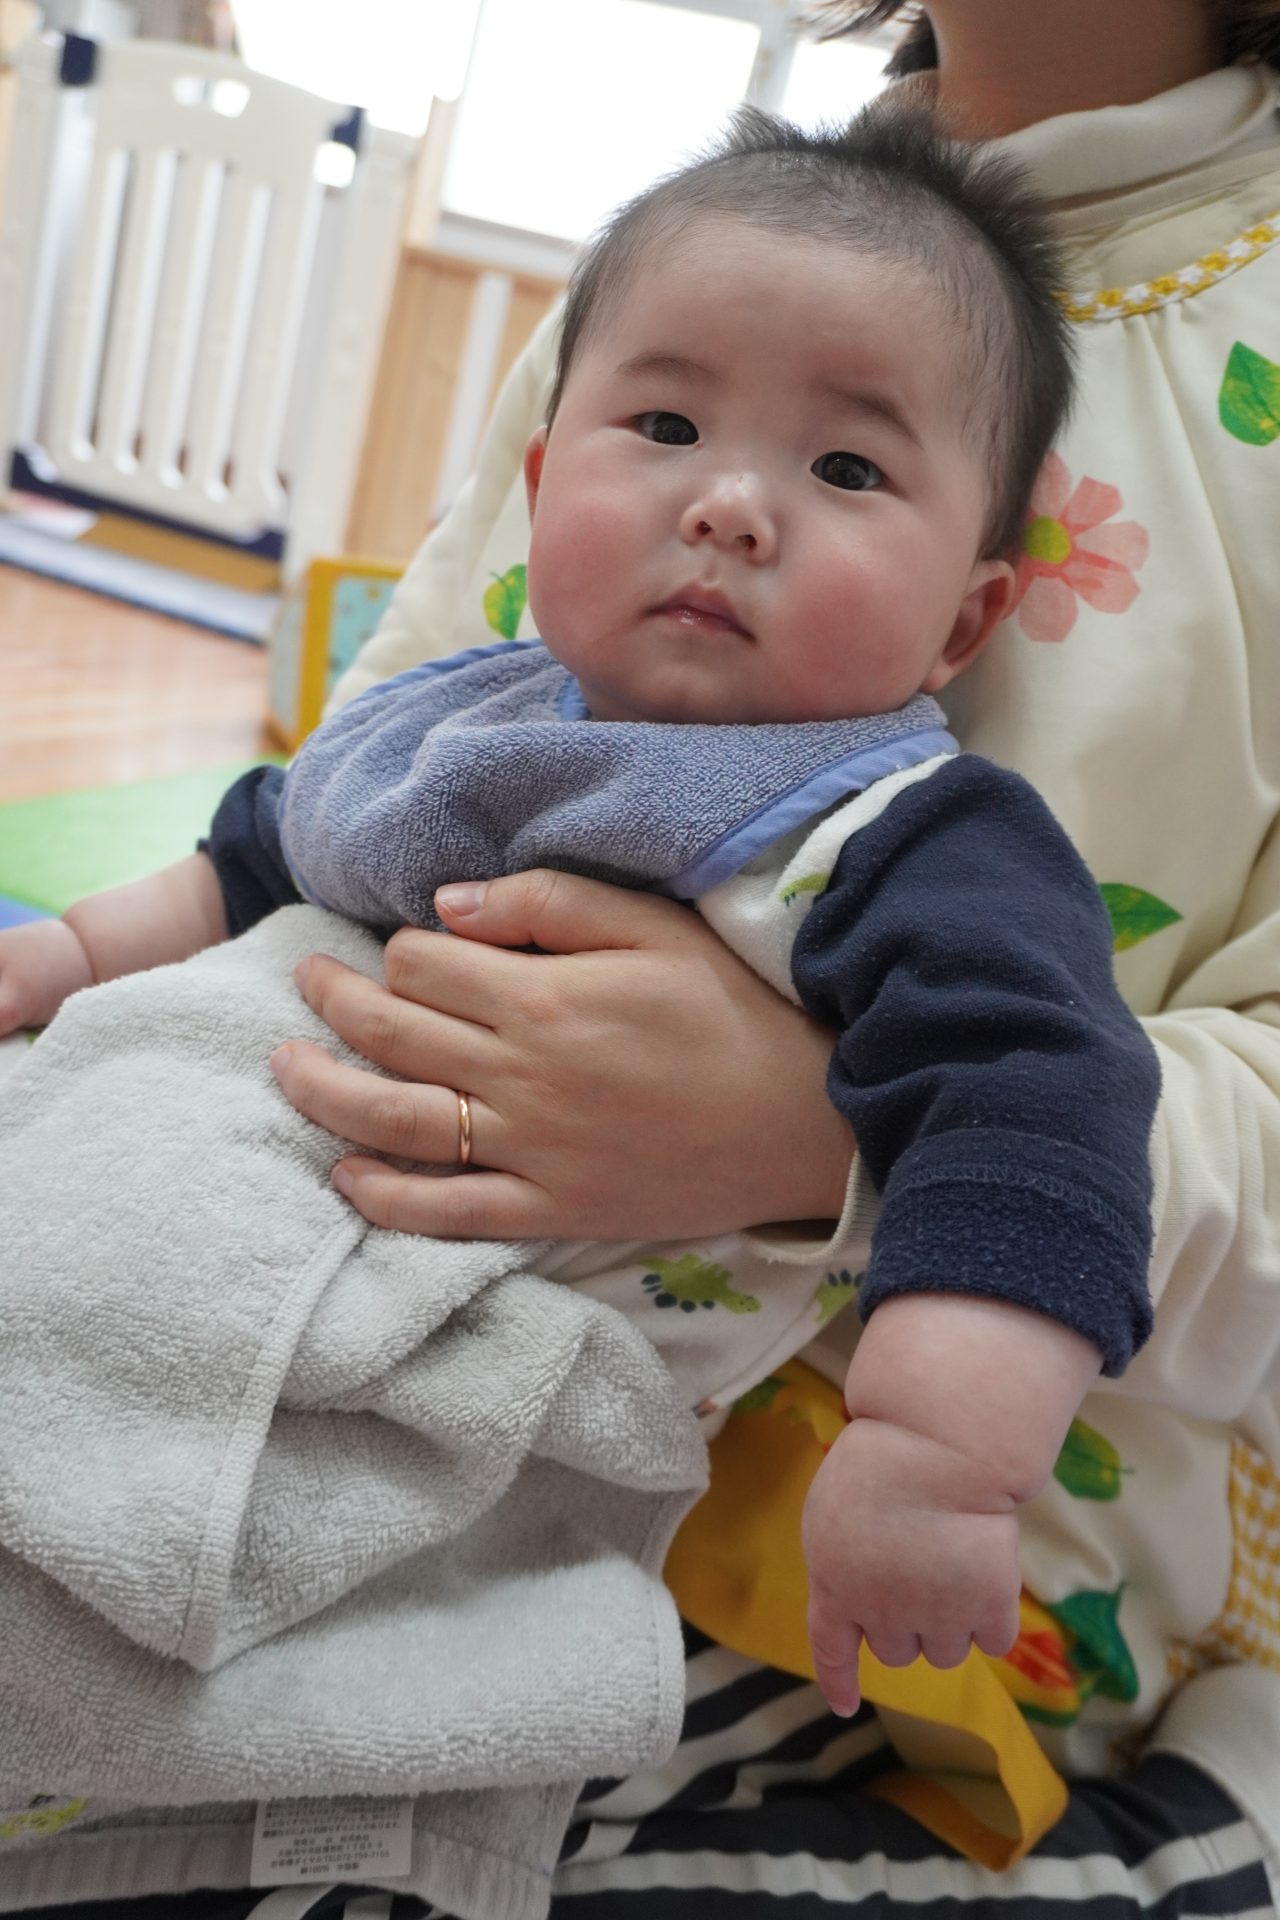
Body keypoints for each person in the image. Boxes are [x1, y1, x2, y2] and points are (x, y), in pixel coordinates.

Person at [4, 0, 1279, 1913]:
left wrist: (916, 1414)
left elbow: (1038, 1090)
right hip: (310, 1251)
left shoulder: (893, 834)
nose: (726, 502)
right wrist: (65, 961)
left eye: (847, 472)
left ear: (972, 622)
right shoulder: (504, 691)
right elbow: (282, 837)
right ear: (549, 483)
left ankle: (1192, 1836)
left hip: (777, 1503)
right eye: (664, 430)